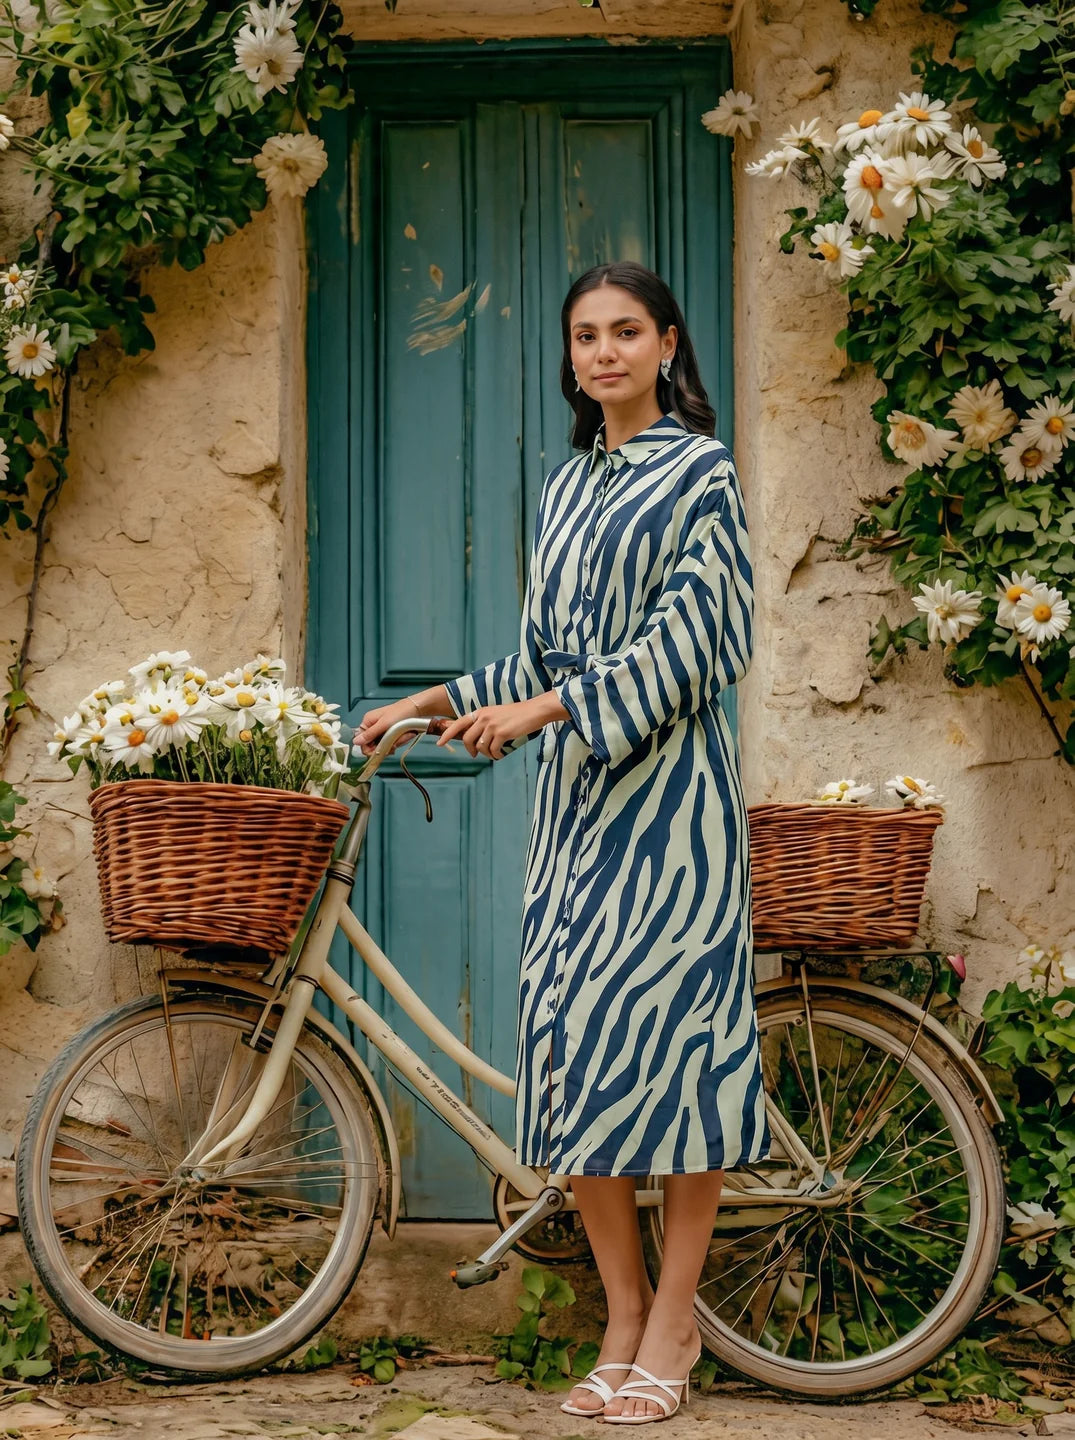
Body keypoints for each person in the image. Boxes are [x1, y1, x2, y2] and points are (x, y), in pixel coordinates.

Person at [356, 260, 769, 1425]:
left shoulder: (701, 474)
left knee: (679, 1060)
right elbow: (539, 659)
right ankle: (621, 1315)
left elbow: (707, 639)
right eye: (586, 335)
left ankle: (676, 1324)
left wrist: (551, 712)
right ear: (570, 355)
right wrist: (431, 701)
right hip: (577, 818)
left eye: (626, 331)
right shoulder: (568, 485)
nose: (603, 353)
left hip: (673, 814)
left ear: (668, 345)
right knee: (580, 1055)